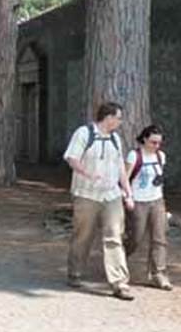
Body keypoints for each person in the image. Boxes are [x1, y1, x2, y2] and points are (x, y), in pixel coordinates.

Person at [63, 102, 137, 301]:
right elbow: (72, 158)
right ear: (108, 117)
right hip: (87, 194)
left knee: (114, 236)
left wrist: (127, 191)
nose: (120, 122)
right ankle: (75, 273)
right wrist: (87, 173)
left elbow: (120, 166)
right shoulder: (83, 133)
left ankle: (119, 283)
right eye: (118, 118)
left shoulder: (115, 139)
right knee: (83, 235)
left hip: (111, 195)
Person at [124, 125, 173, 290]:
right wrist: (128, 196)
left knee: (159, 238)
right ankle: (119, 260)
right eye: (153, 142)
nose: (156, 146)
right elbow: (125, 177)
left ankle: (159, 273)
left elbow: (160, 177)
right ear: (144, 139)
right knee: (135, 237)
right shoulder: (134, 155)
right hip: (138, 201)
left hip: (157, 200)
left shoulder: (160, 156)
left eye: (159, 143)